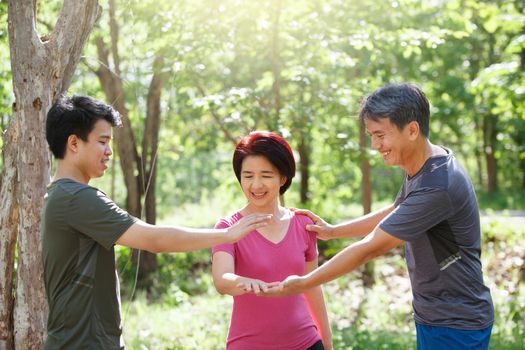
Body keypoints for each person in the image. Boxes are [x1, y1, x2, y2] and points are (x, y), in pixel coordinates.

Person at [264, 83, 494, 350]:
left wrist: (303, 283)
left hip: (456, 323)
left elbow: (370, 248)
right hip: (437, 315)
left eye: (380, 135)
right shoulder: (424, 163)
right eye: (371, 135)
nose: (375, 145)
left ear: (412, 130)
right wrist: (333, 231)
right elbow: (397, 210)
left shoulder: (438, 184)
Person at [41, 95, 272, 350]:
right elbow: (154, 239)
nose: (109, 152)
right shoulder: (77, 198)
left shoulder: (62, 195)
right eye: (102, 141)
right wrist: (227, 234)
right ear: (74, 143)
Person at [211, 131, 332, 350]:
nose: (256, 185)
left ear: (282, 178)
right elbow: (222, 279)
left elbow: (312, 287)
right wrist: (243, 282)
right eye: (248, 176)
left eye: (266, 175)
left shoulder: (303, 224)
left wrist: (327, 342)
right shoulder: (228, 227)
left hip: (307, 343)